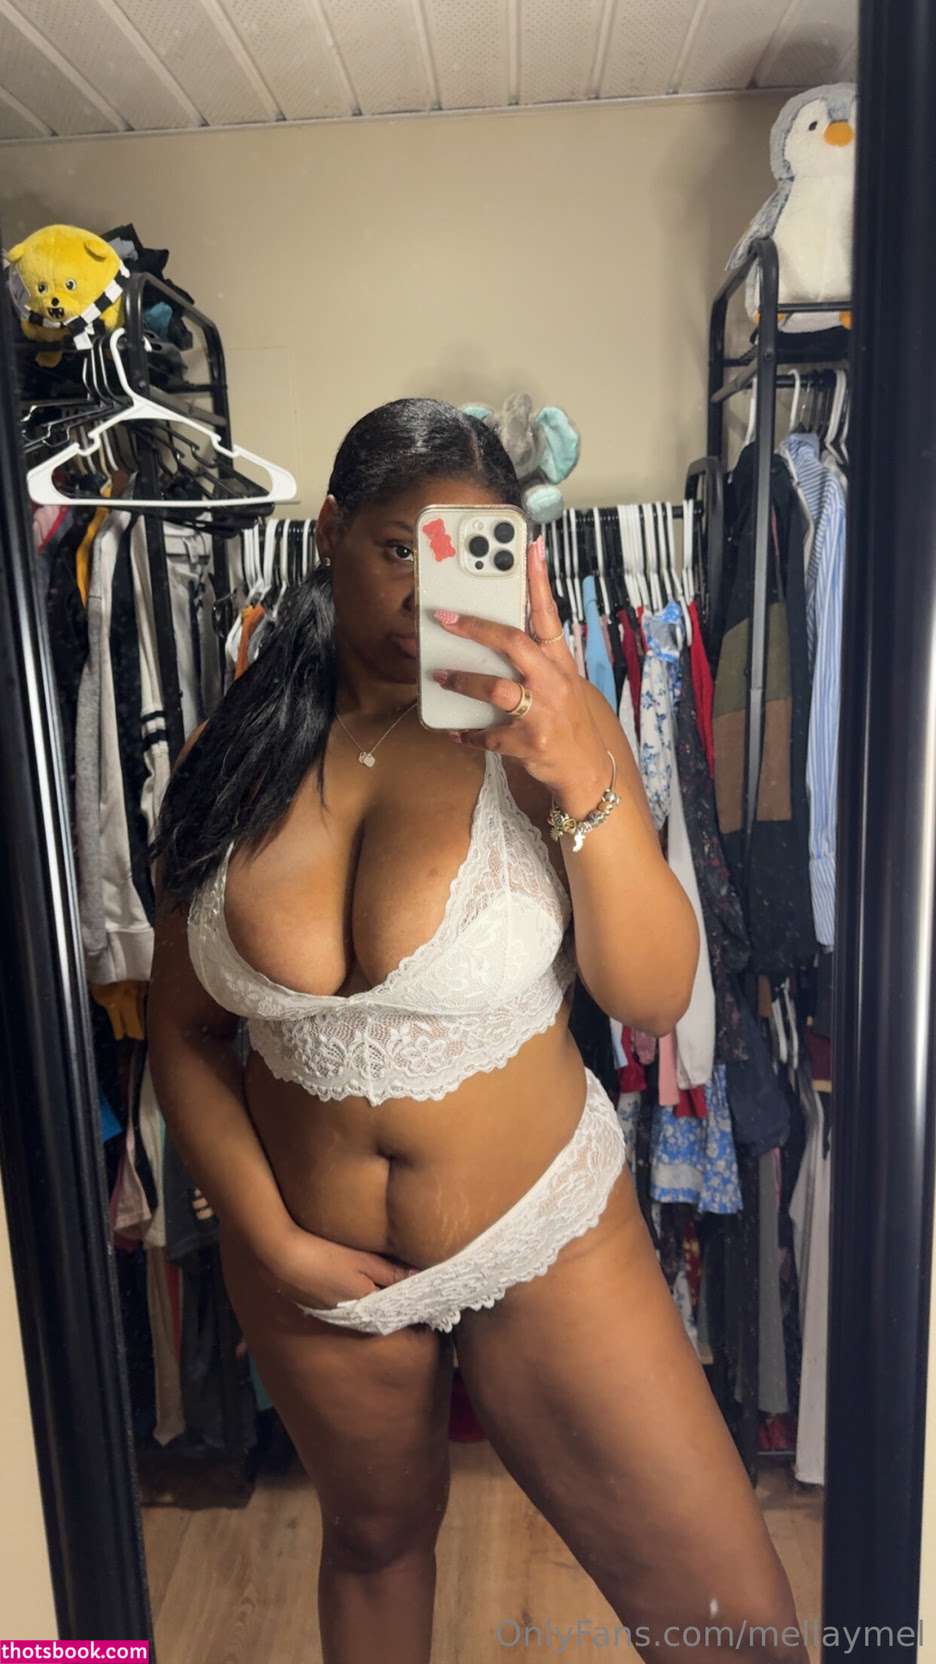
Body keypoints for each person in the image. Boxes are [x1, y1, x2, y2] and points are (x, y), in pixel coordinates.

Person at [147, 398, 808, 1664]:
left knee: (739, 1633)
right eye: (397, 547)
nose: (422, 592)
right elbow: (184, 1033)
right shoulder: (234, 756)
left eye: (462, 553)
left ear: (512, 556)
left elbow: (656, 994)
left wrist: (577, 776)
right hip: (316, 1269)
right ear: (330, 533)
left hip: (542, 1236)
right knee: (374, 1547)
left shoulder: (548, 727)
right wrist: (274, 1240)